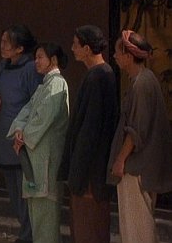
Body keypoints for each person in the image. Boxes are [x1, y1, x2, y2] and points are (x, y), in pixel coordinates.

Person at [108, 30, 172, 243]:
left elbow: (136, 131)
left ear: (128, 56)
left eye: (118, 52)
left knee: (137, 228)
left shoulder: (141, 84)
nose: (115, 56)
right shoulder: (144, 80)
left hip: (136, 167)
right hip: (141, 166)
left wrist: (120, 160)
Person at [59, 25, 118, 243]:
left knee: (88, 227)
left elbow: (91, 129)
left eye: (76, 44)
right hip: (91, 168)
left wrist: (79, 171)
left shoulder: (99, 76)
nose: (72, 48)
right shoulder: (100, 74)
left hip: (91, 171)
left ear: (86, 48)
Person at [7, 43, 70, 243]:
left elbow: (44, 118)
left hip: (46, 158)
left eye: (40, 57)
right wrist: (19, 130)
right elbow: (26, 111)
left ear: (53, 60)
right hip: (34, 157)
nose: (36, 61)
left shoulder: (57, 83)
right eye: (36, 57)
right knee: (37, 216)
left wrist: (24, 137)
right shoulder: (44, 85)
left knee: (46, 217)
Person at [0, 24, 39, 243]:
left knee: (25, 192)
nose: (2, 45)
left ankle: (28, 236)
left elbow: (36, 103)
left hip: (21, 139)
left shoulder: (30, 69)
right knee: (14, 193)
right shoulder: (3, 66)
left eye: (7, 42)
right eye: (2, 41)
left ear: (20, 48)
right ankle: (25, 233)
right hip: (4, 137)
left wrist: (25, 132)